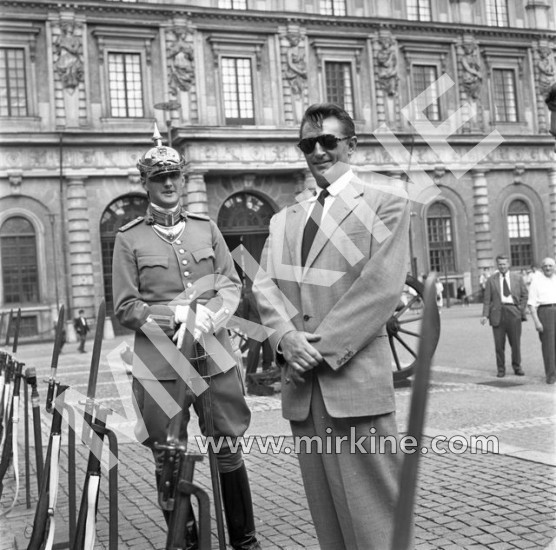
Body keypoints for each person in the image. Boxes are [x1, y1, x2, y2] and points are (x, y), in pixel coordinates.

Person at [253, 103, 410, 549]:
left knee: (379, 516)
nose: (318, 151)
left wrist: (314, 347)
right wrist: (285, 339)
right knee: (330, 521)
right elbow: (265, 288)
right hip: (303, 392)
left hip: (353, 381)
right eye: (308, 144)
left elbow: (379, 288)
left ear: (351, 146)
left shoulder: (387, 204)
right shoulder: (283, 220)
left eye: (329, 142)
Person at [112, 125, 261, 550]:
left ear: (182, 178)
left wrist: (211, 317)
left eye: (174, 177)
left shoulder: (206, 228)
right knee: (169, 459)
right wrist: (174, 315)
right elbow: (126, 307)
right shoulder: (130, 239)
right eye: (159, 179)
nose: (169, 185)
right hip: (160, 367)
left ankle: (245, 542)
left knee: (228, 450)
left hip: (213, 358)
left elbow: (231, 285)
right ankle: (188, 542)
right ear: (146, 184)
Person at [481, 254, 528, 378]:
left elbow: (525, 295)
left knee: (515, 343)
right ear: (497, 265)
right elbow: (487, 300)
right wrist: (485, 315)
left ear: (508, 264)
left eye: (504, 264)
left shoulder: (517, 278)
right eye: (500, 264)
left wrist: (520, 309)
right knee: (499, 345)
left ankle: (517, 366)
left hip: (513, 312)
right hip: (497, 313)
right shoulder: (491, 280)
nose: (502, 266)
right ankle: (501, 369)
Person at [527, 257, 556, 384]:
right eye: (545, 266)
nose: (548, 268)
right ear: (542, 268)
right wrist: (537, 322)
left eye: (550, 265)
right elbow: (531, 304)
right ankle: (551, 376)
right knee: (548, 346)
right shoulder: (536, 282)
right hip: (545, 312)